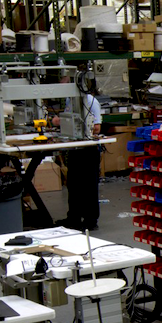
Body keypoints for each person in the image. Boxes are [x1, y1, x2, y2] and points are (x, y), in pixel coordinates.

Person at [54, 91, 103, 231]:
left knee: (89, 186)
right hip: (74, 147)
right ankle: (73, 217)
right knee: (73, 184)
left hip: (88, 148)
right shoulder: (70, 100)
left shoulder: (90, 101)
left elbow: (97, 128)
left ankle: (91, 220)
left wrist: (62, 122)